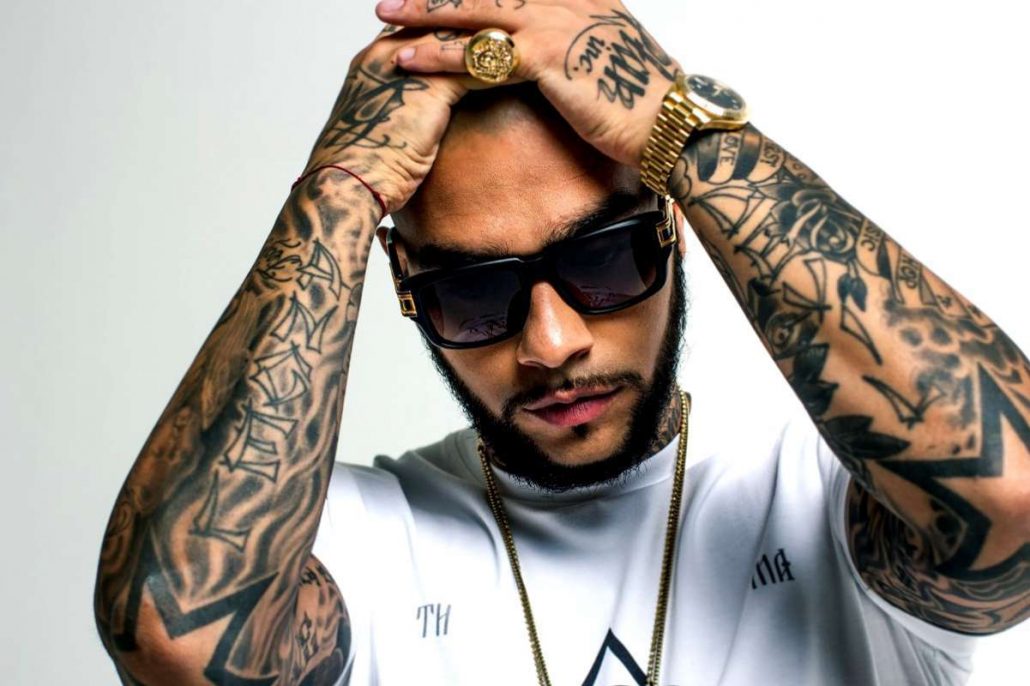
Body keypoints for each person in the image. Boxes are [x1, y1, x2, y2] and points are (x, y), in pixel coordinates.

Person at [93, 1, 1029, 684]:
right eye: (474, 291)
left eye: (604, 259)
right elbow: (177, 638)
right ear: (405, 288)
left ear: (674, 225)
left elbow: (1014, 495)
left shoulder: (823, 499)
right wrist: (337, 192)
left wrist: (681, 129)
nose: (551, 342)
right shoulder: (364, 544)